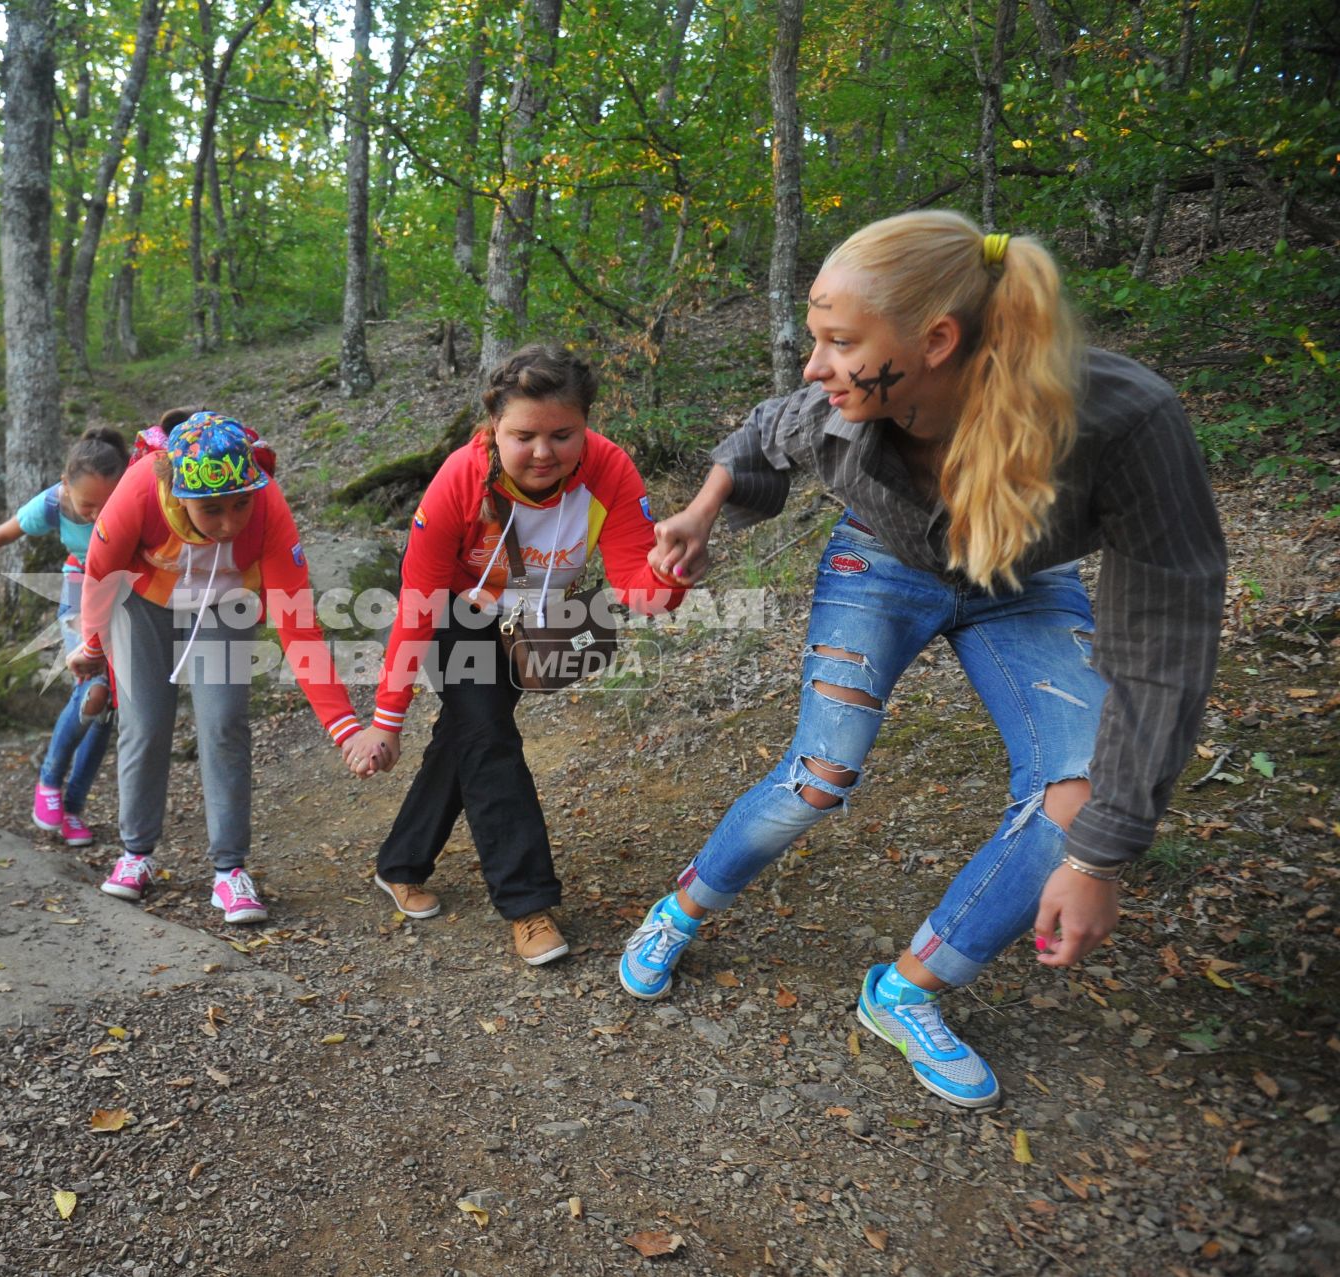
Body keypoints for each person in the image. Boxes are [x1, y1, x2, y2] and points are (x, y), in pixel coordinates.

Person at [618, 210, 1226, 1109]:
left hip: (1021, 579)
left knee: (1080, 797)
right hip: (880, 566)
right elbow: (757, 434)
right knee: (820, 774)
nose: (813, 366)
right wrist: (702, 514)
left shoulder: (1121, 422)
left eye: (837, 341)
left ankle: (906, 991)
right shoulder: (837, 409)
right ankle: (680, 909)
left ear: (936, 339)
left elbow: (1167, 642)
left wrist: (1101, 860)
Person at [343, 344, 684, 966]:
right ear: (493, 427)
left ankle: (400, 862)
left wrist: (674, 569)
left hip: (534, 620)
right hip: (457, 610)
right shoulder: (459, 481)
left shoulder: (610, 471)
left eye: (563, 434)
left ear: (587, 425)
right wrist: (386, 720)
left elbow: (642, 589)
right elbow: (416, 603)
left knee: (470, 735)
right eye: (523, 435)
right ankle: (527, 904)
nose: (544, 452)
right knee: (488, 736)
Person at [71, 412, 362, 923]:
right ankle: (135, 853)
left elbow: (297, 624)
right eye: (211, 510)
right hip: (142, 599)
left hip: (226, 601)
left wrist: (344, 728)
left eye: (239, 504)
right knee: (145, 722)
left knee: (224, 722)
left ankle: (229, 871)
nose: (230, 522)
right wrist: (91, 643)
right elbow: (100, 572)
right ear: (179, 494)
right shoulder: (141, 488)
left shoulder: (268, 502)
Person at [0, 423, 142, 841]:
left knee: (107, 712)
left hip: (126, 598)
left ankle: (73, 808)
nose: (98, 516)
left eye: (106, 506)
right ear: (64, 484)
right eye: (89, 505)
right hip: (80, 590)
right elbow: (5, 532)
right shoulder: (52, 505)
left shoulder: (133, 496)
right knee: (92, 689)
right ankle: (49, 780)